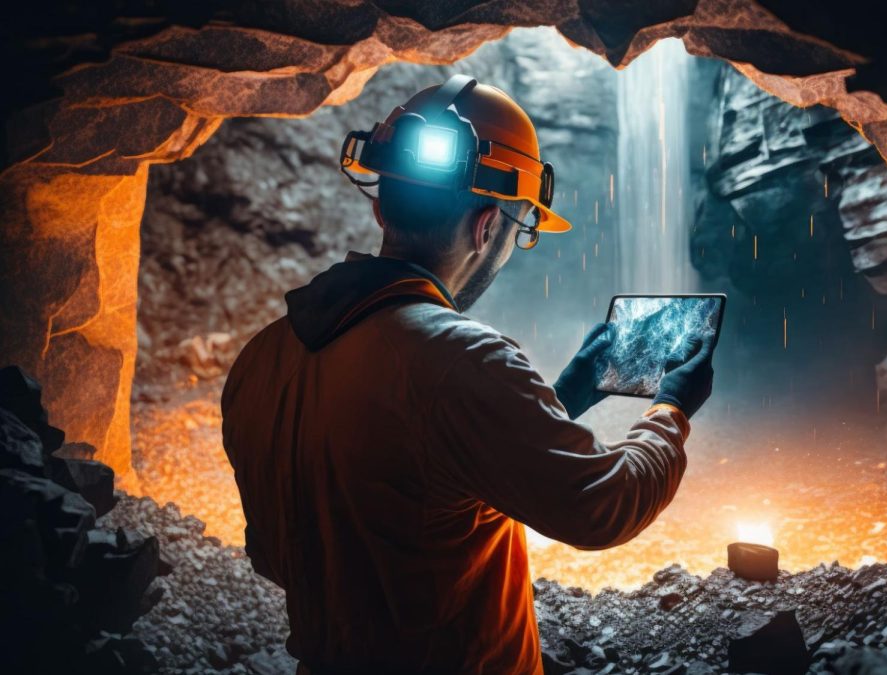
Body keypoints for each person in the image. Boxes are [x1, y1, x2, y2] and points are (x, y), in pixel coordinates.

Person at [221, 78, 716, 675]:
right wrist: (671, 410)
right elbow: (602, 506)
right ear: (487, 228)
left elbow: (283, 550)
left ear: (381, 204)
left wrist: (564, 398)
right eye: (517, 232)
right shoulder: (463, 361)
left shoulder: (262, 359)